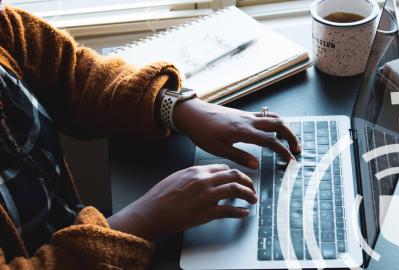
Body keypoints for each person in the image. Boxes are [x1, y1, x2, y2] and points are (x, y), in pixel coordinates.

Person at [0, 4, 301, 270]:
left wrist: (179, 107)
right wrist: (144, 218)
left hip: (74, 225)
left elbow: (75, 74)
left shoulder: (4, 26)